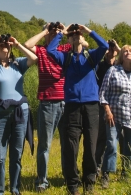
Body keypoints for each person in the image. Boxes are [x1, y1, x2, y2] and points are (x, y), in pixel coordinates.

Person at [24, 22, 87, 192]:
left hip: (66, 103)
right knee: (45, 145)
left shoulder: (65, 48)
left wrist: (66, 31)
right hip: (47, 103)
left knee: (68, 144)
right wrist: (46, 31)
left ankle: (69, 177)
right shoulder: (42, 51)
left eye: (55, 32)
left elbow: (85, 44)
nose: (54, 34)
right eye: (51, 32)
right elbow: (27, 45)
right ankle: (42, 181)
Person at [47, 24, 109, 195]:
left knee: (91, 145)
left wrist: (88, 31)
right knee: (70, 147)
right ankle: (72, 184)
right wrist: (62, 33)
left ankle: (89, 182)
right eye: (72, 35)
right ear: (69, 39)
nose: (75, 36)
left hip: (91, 106)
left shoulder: (91, 56)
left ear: (83, 38)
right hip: (72, 106)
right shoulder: (65, 57)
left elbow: (104, 46)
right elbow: (50, 51)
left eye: (78, 34)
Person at [0, 33, 38, 195]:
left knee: (17, 154)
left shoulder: (18, 64)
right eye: (1, 46)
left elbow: (34, 58)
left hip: (20, 113)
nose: (4, 47)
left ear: (10, 48)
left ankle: (15, 189)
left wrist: (18, 44)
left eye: (6, 45)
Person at [99, 45, 131, 189]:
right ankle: (106, 174)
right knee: (112, 144)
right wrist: (107, 111)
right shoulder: (113, 71)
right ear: (121, 55)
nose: (128, 53)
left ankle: (127, 173)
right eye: (125, 51)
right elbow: (103, 93)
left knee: (129, 146)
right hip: (114, 116)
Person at [95, 39, 121, 178]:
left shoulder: (120, 67)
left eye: (113, 49)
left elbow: (129, 56)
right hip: (101, 106)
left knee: (115, 140)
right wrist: (103, 49)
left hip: (118, 107)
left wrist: (116, 46)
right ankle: (97, 167)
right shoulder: (99, 66)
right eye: (108, 49)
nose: (110, 51)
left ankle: (110, 169)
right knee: (101, 138)